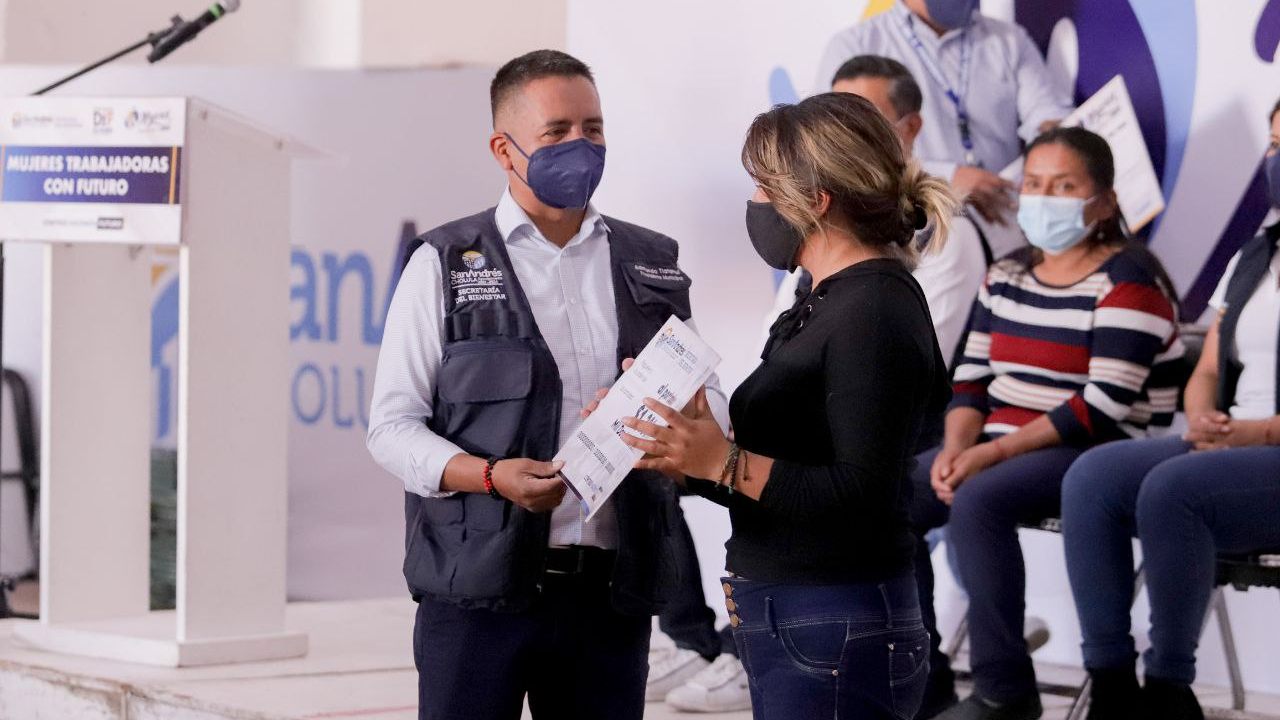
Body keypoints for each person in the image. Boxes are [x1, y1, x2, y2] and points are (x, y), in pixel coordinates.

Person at [366, 49, 728, 720]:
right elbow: (390, 429)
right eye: (557, 132)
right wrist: (488, 474)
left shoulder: (651, 261)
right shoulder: (444, 262)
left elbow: (712, 407)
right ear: (504, 149)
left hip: (610, 599)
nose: (581, 147)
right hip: (475, 598)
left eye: (593, 129)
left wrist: (676, 431)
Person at [612, 91, 957, 719]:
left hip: (834, 622)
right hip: (799, 617)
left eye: (763, 188)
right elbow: (781, 476)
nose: (753, 205)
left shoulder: (873, 310)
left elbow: (861, 492)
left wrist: (722, 462)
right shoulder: (824, 299)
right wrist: (682, 450)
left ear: (815, 200)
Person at [910, 127, 1185, 720]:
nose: (1043, 198)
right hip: (997, 445)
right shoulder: (1005, 273)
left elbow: (1101, 405)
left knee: (979, 499)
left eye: (1064, 187)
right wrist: (957, 446)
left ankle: (1003, 691)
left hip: (1098, 452)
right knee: (897, 494)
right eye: (1034, 184)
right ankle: (920, 675)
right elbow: (971, 380)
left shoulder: (1130, 281)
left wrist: (989, 456)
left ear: (1105, 201)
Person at [1059, 101, 1280, 720]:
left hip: (1263, 446)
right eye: (1272, 143)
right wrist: (1205, 412)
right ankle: (1110, 684)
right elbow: (1207, 364)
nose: (1275, 159)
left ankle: (1168, 690)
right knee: (1093, 477)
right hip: (1238, 443)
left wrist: (1253, 432)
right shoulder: (1256, 255)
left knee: (1173, 490)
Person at [813, 0, 1072, 228]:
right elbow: (834, 152)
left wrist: (1052, 133)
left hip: (1007, 216)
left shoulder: (1008, 39)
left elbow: (1045, 111)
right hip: (916, 226)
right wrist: (948, 177)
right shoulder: (855, 47)